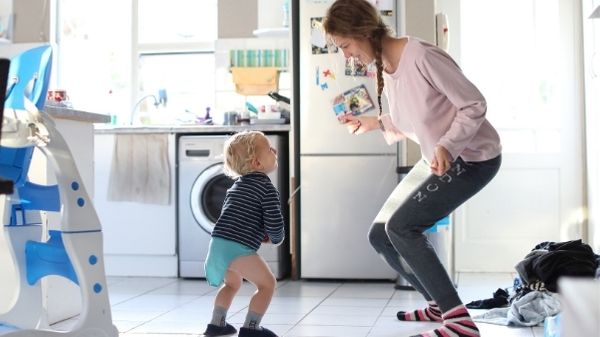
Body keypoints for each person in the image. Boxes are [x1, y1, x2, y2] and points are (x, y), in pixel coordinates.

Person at [323, 1, 502, 337]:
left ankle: (460, 322)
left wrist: (447, 145)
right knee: (381, 234)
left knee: (403, 228)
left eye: (345, 45)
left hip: (473, 158)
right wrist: (375, 122)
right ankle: (439, 303)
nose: (345, 55)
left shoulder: (421, 56)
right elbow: (418, 117)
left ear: (362, 32)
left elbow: (474, 104)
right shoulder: (387, 66)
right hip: (439, 157)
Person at [203, 131, 284, 337]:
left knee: (232, 283)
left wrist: (258, 232)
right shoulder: (266, 188)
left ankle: (216, 324)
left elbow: (239, 217)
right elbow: (274, 221)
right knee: (267, 285)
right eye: (269, 149)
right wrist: (276, 238)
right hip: (237, 248)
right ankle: (251, 328)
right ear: (257, 163)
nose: (274, 151)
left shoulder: (236, 187)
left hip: (219, 244)